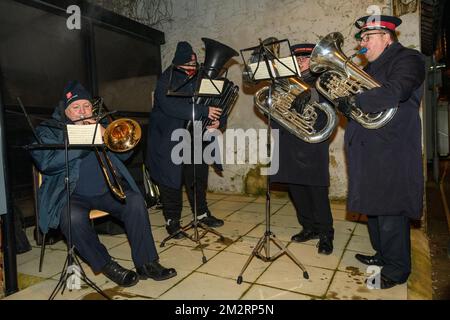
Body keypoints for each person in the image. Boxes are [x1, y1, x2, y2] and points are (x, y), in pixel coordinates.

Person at [30, 81, 177, 288]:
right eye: (76, 107)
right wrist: (85, 141)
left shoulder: (101, 125)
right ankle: (107, 265)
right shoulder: (50, 130)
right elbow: (46, 163)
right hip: (71, 195)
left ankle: (147, 263)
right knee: (71, 217)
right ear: (66, 110)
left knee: (135, 201)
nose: (83, 111)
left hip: (107, 190)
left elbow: (125, 154)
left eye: (87, 106)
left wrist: (108, 135)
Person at [335, 15, 425, 289]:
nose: (362, 43)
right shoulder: (370, 69)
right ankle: (382, 254)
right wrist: (344, 103)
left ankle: (397, 270)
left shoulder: (408, 59)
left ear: (387, 38)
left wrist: (355, 99)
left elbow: (396, 91)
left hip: (391, 148)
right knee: (374, 206)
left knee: (390, 210)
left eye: (367, 38)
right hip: (369, 148)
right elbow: (359, 102)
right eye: (360, 38)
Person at [146, 41, 224, 239]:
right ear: (178, 64)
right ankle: (172, 220)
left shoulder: (202, 78)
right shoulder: (167, 78)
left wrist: (218, 122)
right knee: (171, 180)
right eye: (187, 67)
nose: (192, 70)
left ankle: (202, 213)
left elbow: (215, 102)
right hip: (170, 137)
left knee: (197, 176)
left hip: (195, 135)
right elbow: (169, 106)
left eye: (194, 66)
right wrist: (202, 111)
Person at [271, 43, 334, 255]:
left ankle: (326, 233)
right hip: (289, 142)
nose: (300, 62)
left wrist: (312, 94)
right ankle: (308, 227)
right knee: (296, 188)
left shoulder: (323, 78)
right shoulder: (286, 82)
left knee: (317, 190)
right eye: (297, 59)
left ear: (313, 60)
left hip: (312, 142)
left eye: (304, 58)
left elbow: (334, 101)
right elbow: (272, 110)